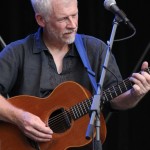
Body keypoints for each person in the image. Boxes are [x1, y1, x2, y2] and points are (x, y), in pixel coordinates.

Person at [0, 0, 149, 149]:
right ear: (41, 19)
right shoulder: (17, 52)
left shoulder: (96, 50)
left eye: (75, 15)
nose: (72, 25)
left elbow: (115, 100)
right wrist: (21, 118)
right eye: (63, 19)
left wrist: (134, 94)